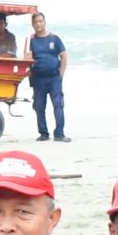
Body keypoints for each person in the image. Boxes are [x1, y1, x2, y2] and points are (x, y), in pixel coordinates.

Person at [27, 11, 68, 143]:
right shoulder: (30, 40)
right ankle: (43, 133)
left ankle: (59, 134)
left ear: (44, 22)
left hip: (54, 78)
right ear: (32, 24)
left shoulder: (54, 38)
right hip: (38, 79)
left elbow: (63, 56)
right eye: (35, 22)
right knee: (39, 107)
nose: (38, 24)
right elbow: (26, 58)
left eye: (40, 21)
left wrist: (61, 74)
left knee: (58, 105)